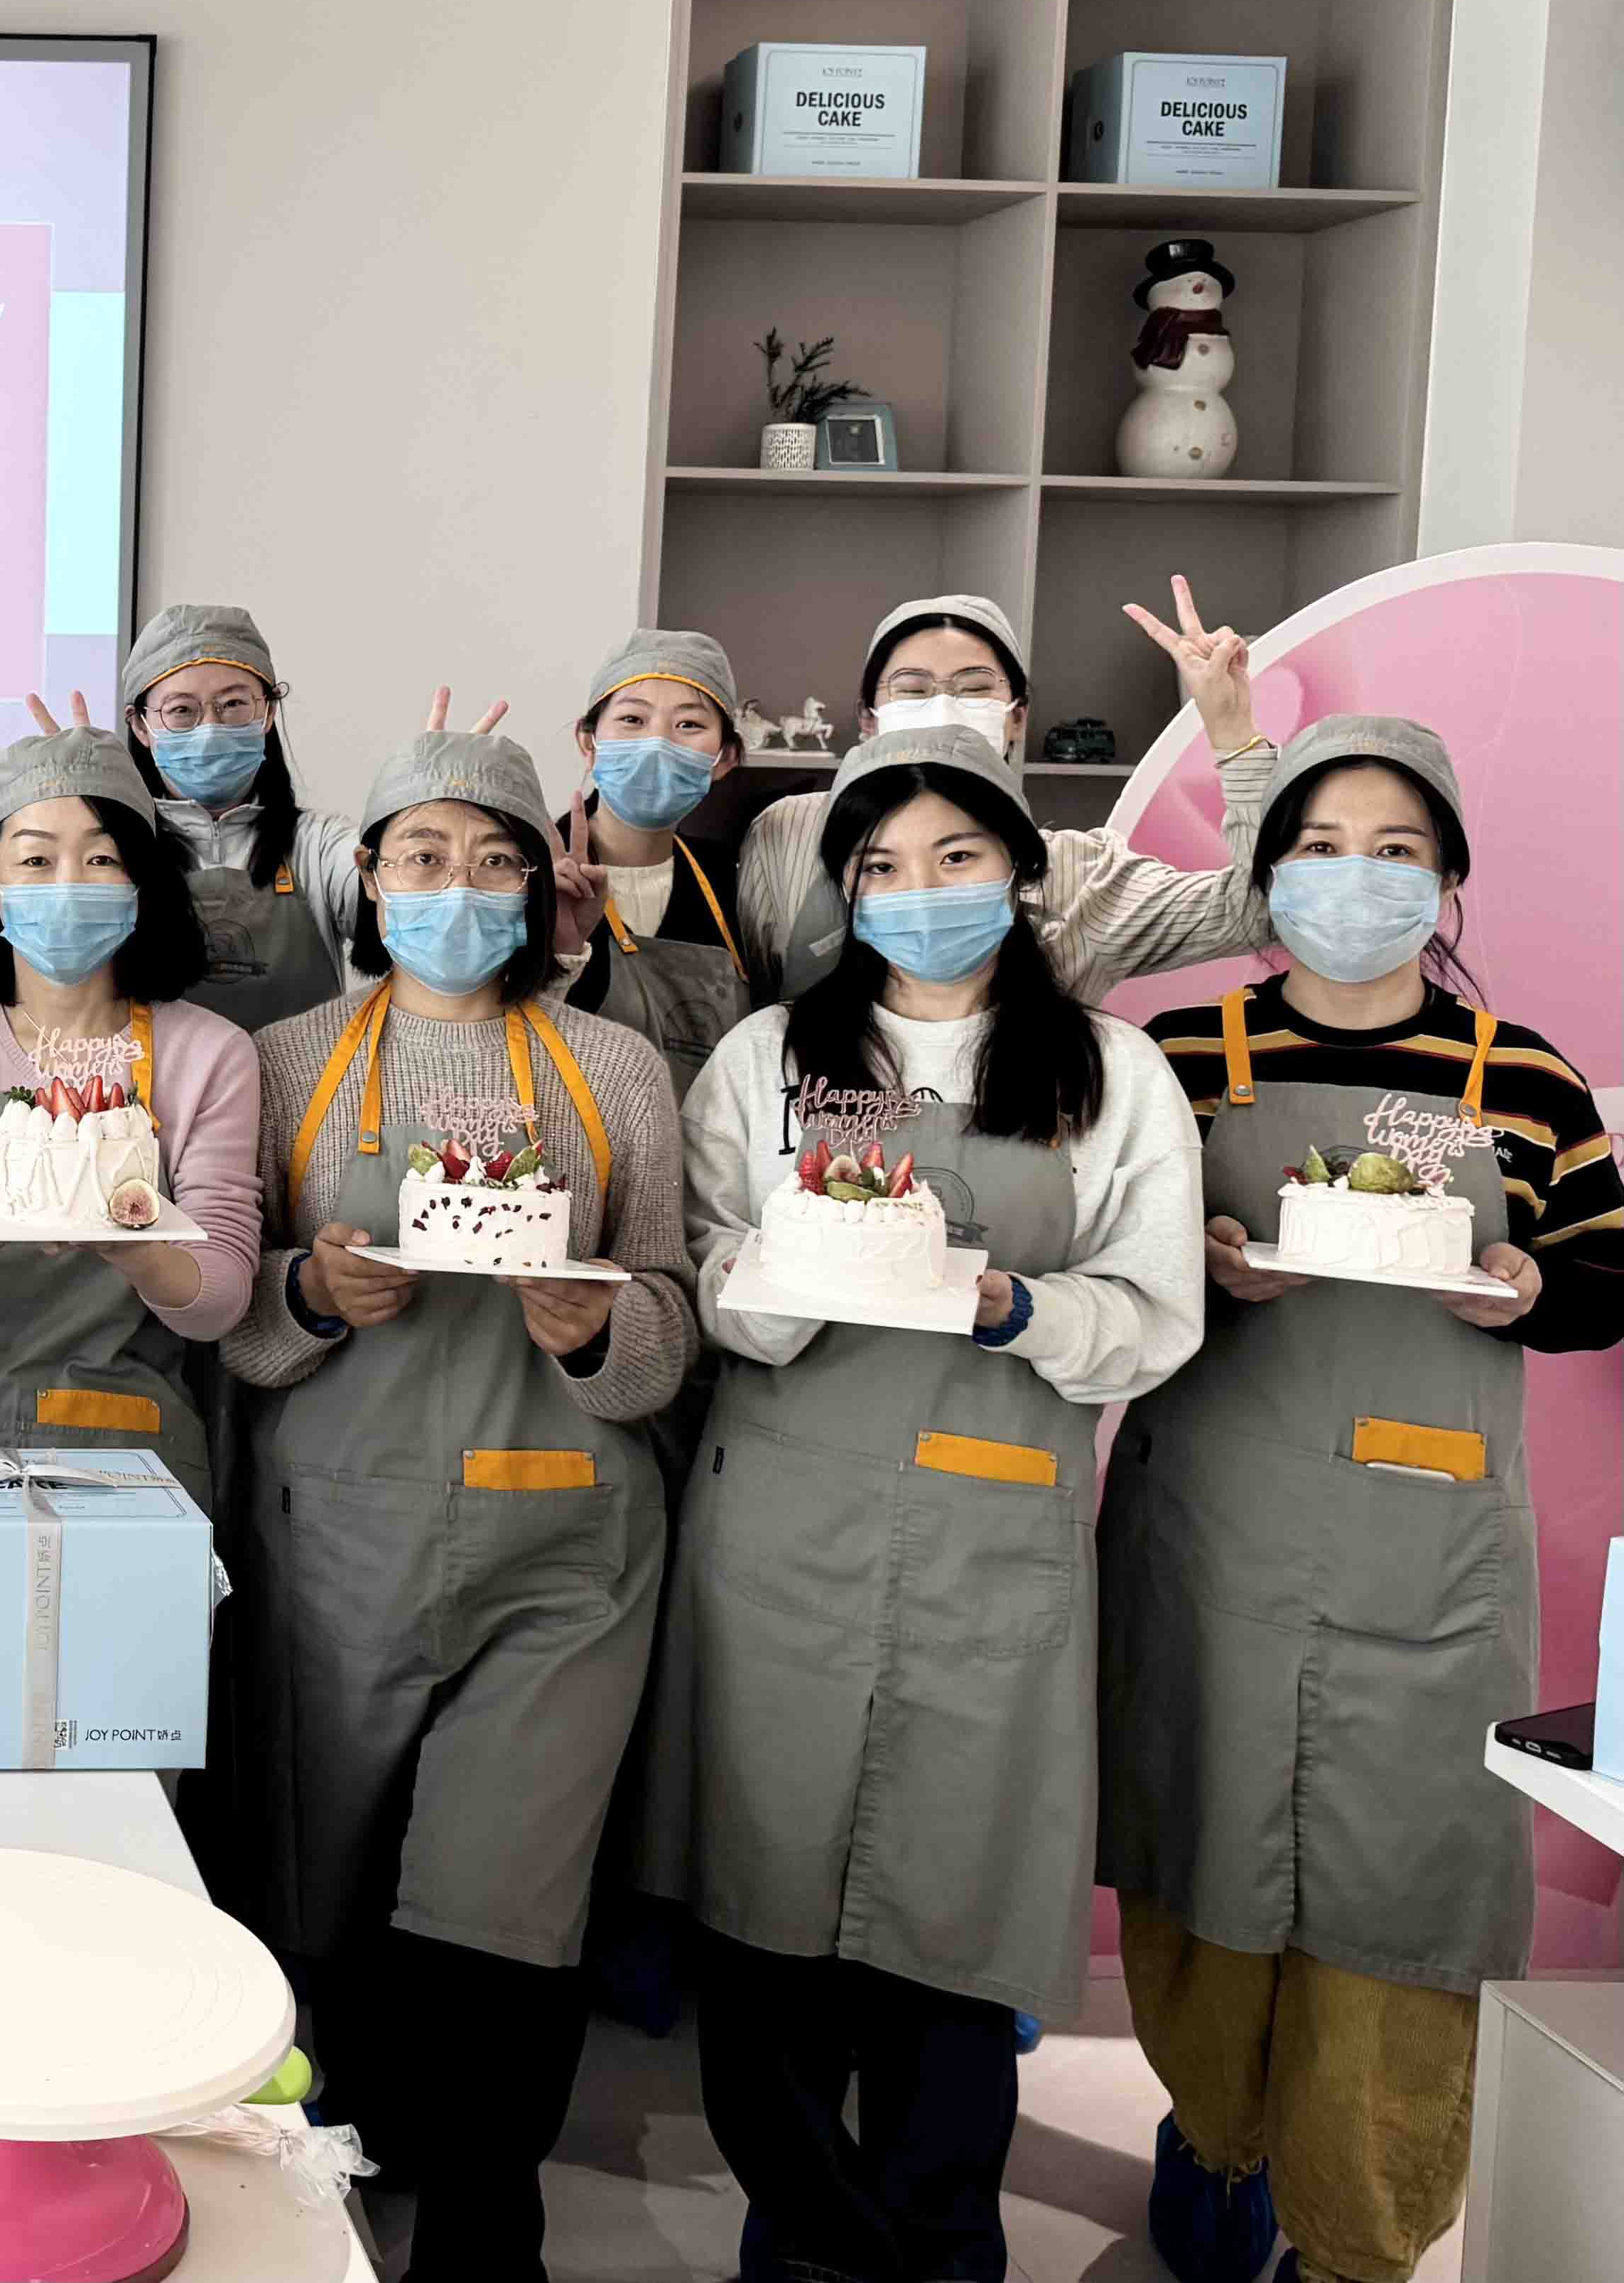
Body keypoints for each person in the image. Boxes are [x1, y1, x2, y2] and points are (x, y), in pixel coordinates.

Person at [640, 724, 1206, 2283]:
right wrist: (798, 1275)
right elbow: (704, 1266)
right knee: (762, 1910)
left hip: (993, 1533)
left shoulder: (1109, 1073)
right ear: (842, 888)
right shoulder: (768, 1058)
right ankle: (804, 2241)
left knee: (954, 1922)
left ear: (1017, 869)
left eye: (955, 855)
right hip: (781, 1528)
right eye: (881, 865)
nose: (919, 889)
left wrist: (1014, 1305)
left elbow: (1155, 1310)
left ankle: (940, 2247)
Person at [1098, 716, 1624, 2283]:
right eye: (1319, 845)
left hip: (1429, 1544)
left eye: (1394, 848)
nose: (1355, 875)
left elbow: (1606, 1276)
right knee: (1201, 1843)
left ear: (1446, 879)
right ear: (1266, 873)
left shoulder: (1523, 1076)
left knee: (1402, 1883)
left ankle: (1356, 2229)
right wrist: (1193, 1259)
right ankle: (1212, 2140)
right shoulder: (1179, 1056)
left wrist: (1530, 1284)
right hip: (1213, 1531)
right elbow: (1099, 1260)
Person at [227, 729, 693, 2283]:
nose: (457, 887)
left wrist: (599, 1328)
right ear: (367, 876)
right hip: (334, 1535)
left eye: (495, 860)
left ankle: (490, 2229)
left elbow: (670, 1313)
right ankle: (340, 2176)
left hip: (563, 1542)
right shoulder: (285, 1059)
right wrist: (307, 1290)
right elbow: (229, 1317)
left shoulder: (612, 1067)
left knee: (507, 1900)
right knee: (328, 1882)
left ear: (540, 889)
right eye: (422, 855)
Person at [0, 723, 261, 1509]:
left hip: (129, 1449)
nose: (68, 882)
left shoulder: (210, 1053)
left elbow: (219, 1300)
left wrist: (130, 1245)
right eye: (36, 860)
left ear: (139, 879)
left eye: (101, 859)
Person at [735, 582, 1278, 1002]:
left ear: (1016, 716)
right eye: (913, 689)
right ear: (868, 717)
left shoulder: (1082, 875)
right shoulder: (788, 832)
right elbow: (756, 992)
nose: (943, 706)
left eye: (974, 687)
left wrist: (1231, 727)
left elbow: (1262, 910)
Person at [116, 605, 359, 1031]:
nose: (211, 727)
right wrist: (69, 815)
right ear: (140, 727)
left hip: (308, 1076)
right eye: (181, 710)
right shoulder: (112, 850)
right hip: (156, 1078)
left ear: (268, 713)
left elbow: (401, 897)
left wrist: (435, 811)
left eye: (233, 704)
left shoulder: (321, 847)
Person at [551, 628, 750, 1103]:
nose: (657, 743)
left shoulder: (732, 878)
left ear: (724, 758)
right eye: (632, 719)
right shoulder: (532, 872)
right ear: (588, 741)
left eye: (688, 724)